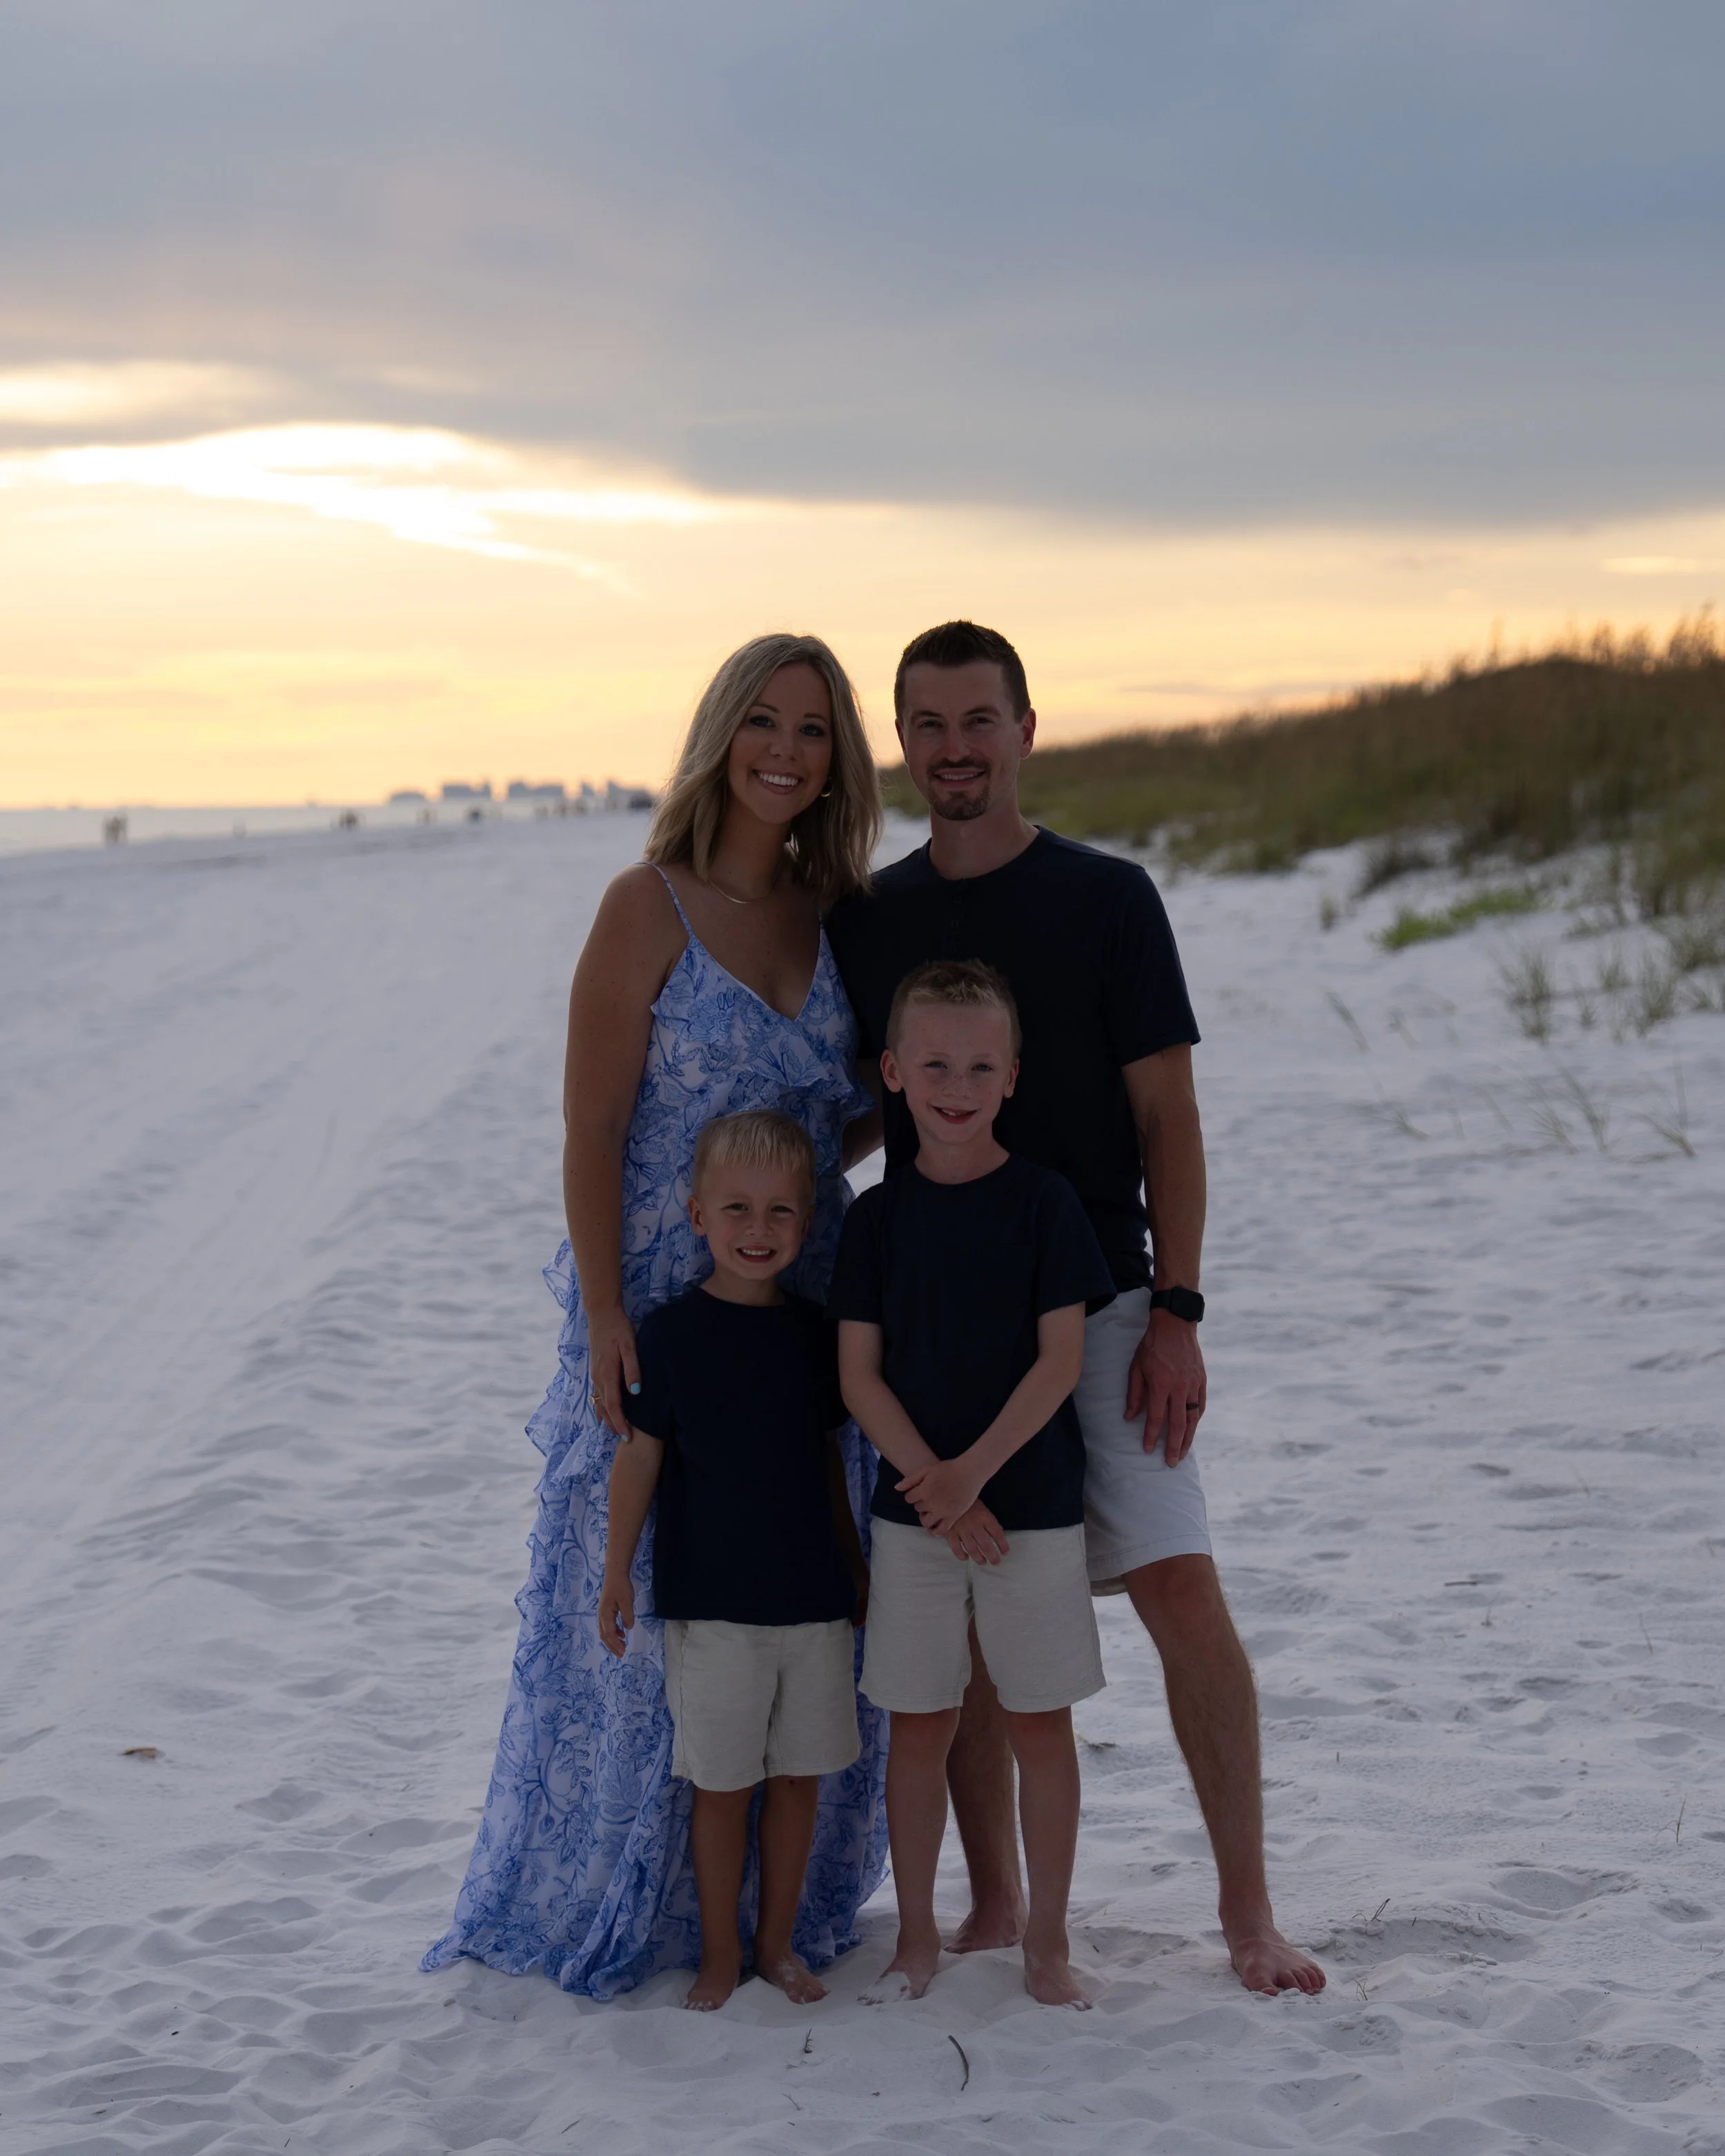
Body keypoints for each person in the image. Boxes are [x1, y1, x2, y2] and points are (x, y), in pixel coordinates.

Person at [826, 620, 1325, 1997]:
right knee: (968, 1606)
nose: (952, 748)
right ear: (903, 743)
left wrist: (1178, 1304)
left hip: (1100, 1302)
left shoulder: (1107, 900)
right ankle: (992, 1903)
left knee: (1175, 1582)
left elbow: (1167, 1114)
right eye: (924, 724)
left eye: (977, 719)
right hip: (931, 1325)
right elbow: (861, 1115)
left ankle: (1247, 1913)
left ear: (1026, 728)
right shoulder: (866, 918)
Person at [425, 632, 887, 2000]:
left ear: (834, 760)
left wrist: (891, 1123)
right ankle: (633, 1902)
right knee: (639, 1613)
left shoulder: (832, 917)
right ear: (719, 735)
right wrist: (609, 1311)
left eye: (813, 731)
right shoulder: (644, 903)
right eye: (763, 722)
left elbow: (828, 1123)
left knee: (797, 1592)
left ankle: (767, 1915)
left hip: (803, 1313)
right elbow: (590, 1127)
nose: (785, 752)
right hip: (656, 1307)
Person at [830, 960, 1116, 2009]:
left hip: (1028, 1511)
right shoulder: (874, 1221)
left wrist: (970, 1479)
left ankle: (1045, 1943)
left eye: (981, 1065)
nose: (958, 1083)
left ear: (1013, 1077)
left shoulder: (1045, 1206)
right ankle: (915, 1937)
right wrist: (929, 1486)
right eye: (936, 1062)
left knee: (1040, 1724)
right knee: (920, 1723)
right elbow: (858, 1374)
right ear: (895, 1073)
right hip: (910, 1521)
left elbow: (1059, 1365)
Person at [598, 1110, 869, 2012]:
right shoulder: (669, 1337)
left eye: (782, 1213)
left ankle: (778, 1947)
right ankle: (720, 1956)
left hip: (813, 1603)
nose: (760, 1231)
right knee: (722, 1788)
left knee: (799, 1782)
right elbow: (640, 1456)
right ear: (697, 1215)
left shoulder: (814, 1336)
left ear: (806, 1222)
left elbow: (828, 1457)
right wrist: (613, 1572)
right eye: (739, 1210)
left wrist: (850, 1563)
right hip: (712, 1608)